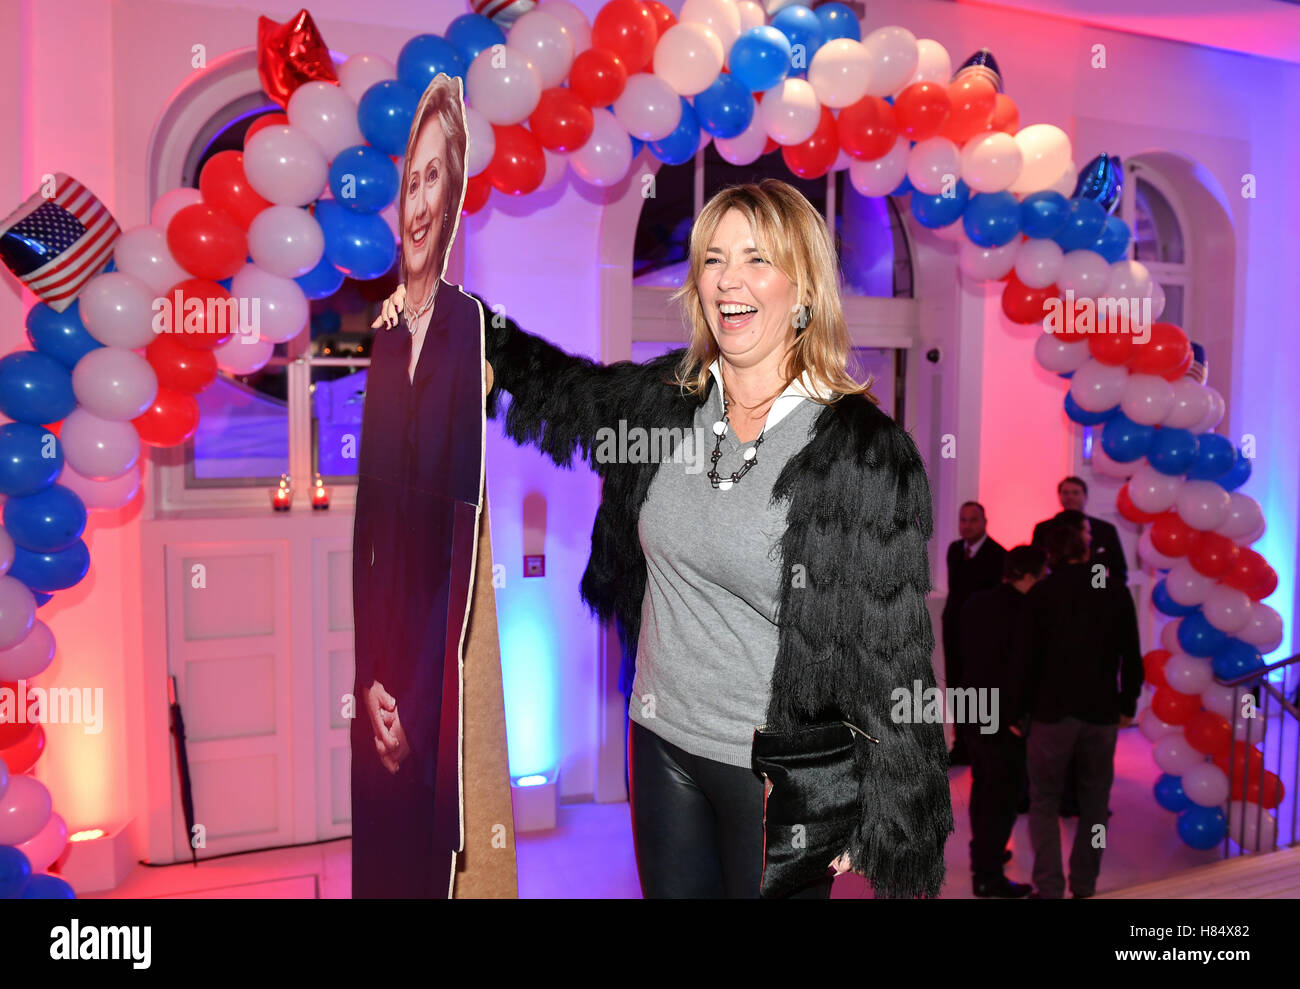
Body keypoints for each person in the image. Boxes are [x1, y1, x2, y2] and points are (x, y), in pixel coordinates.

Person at [374, 179, 953, 898]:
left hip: (775, 775)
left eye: (756, 259)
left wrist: (875, 806)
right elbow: (561, 385)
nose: (729, 280)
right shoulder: (664, 403)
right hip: (659, 741)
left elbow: (892, 649)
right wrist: (451, 319)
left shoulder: (863, 452)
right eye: (713, 259)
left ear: (803, 289)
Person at [351, 73, 486, 898]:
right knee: (377, 867)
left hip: (427, 673)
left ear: (457, 192)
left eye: (436, 176)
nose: (420, 198)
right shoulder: (381, 337)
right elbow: (367, 525)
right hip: (374, 676)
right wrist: (371, 678)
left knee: (418, 872)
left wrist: (415, 693)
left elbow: (455, 531)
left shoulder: (464, 326)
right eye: (411, 179)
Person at [1024, 524, 1143, 899]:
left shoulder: (1043, 593)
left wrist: (1017, 711)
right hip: (1101, 712)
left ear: (1051, 554)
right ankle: (1085, 885)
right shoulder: (1113, 591)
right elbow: (1131, 656)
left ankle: (1049, 887)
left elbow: (1026, 662)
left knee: (1043, 802)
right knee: (1095, 807)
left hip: (1051, 713)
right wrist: (1128, 703)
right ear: (1085, 550)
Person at [958, 545, 1045, 898]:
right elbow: (1018, 671)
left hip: (974, 710)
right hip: (1004, 718)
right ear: (1030, 575)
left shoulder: (975, 603)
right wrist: (1015, 717)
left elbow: (962, 657)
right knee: (1003, 795)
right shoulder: (1027, 611)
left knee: (984, 789)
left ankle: (986, 855)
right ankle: (987, 875)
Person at [942, 501, 1006, 765]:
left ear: (985, 522)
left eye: (973, 520)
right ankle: (961, 744)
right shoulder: (955, 550)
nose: (967, 526)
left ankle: (981, 744)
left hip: (982, 635)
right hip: (955, 630)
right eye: (963, 520)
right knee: (956, 686)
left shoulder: (999, 554)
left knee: (980, 688)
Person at [1032, 475, 1127, 584]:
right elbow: (1035, 564)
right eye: (1065, 493)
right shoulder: (1043, 528)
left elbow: (1118, 569)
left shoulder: (1105, 529)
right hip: (1056, 590)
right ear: (1059, 496)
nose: (1070, 497)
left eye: (1075, 493)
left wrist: (1112, 593)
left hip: (1096, 588)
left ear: (1085, 497)